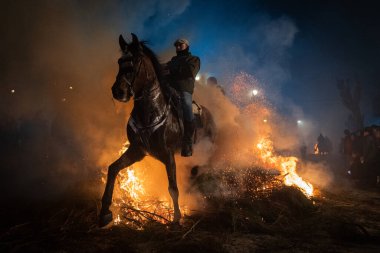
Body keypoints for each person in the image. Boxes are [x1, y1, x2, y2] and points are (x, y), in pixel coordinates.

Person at [167, 38, 200, 156]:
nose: (178, 47)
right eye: (176, 45)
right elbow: (164, 69)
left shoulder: (193, 59)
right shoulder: (173, 60)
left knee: (186, 106)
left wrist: (171, 70)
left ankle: (188, 142)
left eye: (180, 45)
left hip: (183, 89)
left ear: (187, 46)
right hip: (169, 89)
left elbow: (190, 71)